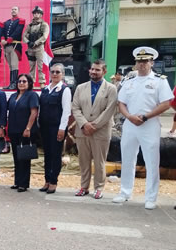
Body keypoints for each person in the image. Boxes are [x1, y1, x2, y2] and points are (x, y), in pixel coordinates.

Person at [113, 47, 173, 210]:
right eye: (139, 61)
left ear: (151, 62)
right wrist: (130, 116)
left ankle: (150, 197)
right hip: (130, 123)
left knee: (152, 161)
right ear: (135, 63)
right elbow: (121, 103)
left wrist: (146, 117)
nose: (142, 64)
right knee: (127, 158)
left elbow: (166, 104)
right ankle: (125, 192)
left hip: (149, 124)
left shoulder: (160, 81)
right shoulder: (129, 82)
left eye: (145, 61)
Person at [71, 59, 117, 199]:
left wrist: (94, 126)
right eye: (92, 69)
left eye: (97, 70)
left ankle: (99, 188)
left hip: (101, 131)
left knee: (99, 161)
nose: (93, 72)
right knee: (83, 161)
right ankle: (84, 187)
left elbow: (109, 110)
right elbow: (75, 108)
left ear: (104, 71)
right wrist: (85, 124)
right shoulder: (81, 88)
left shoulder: (111, 88)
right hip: (82, 130)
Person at [38, 63, 72, 194]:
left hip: (57, 128)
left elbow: (66, 111)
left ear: (62, 74)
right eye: (52, 72)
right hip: (45, 127)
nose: (54, 74)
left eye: (57, 72)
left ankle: (53, 181)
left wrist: (62, 129)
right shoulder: (46, 89)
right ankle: (47, 180)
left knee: (55, 155)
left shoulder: (64, 90)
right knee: (47, 154)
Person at [7, 73, 39, 192]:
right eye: (19, 81)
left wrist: (28, 128)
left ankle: (24, 183)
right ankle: (17, 181)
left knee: (24, 157)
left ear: (29, 83)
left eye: (24, 81)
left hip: (26, 131)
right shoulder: (13, 96)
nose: (21, 83)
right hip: (13, 130)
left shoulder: (32, 95)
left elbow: (34, 112)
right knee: (16, 157)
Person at [23, 6, 49, 88]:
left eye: (38, 13)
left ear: (41, 15)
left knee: (41, 66)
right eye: (35, 13)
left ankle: (42, 82)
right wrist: (28, 42)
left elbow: (45, 36)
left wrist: (35, 43)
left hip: (39, 47)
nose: (36, 15)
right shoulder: (29, 25)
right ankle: (31, 83)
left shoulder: (44, 24)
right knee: (31, 66)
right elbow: (24, 36)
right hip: (30, 48)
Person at [1, 6, 25, 90]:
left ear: (18, 11)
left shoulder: (21, 21)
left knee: (14, 65)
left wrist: (8, 40)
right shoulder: (7, 22)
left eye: (15, 9)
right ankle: (11, 83)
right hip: (7, 46)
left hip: (15, 45)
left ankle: (14, 83)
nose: (13, 11)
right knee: (10, 66)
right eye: (12, 9)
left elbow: (17, 32)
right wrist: (3, 39)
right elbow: (3, 32)